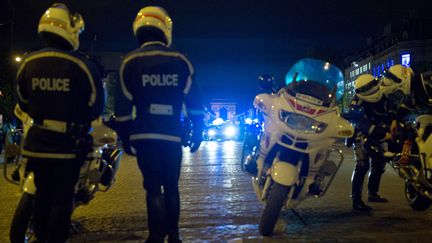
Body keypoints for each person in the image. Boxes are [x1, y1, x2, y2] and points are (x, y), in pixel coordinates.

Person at [13, 3, 105, 242]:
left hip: (38, 143)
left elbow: (22, 101)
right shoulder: (81, 65)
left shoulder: (28, 63)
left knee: (43, 196)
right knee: (61, 200)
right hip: (68, 145)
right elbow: (95, 105)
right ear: (69, 28)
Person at [114, 6, 204, 243]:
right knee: (171, 186)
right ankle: (174, 236)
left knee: (153, 187)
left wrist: (125, 138)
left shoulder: (129, 62)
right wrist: (198, 130)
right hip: (172, 133)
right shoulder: (181, 60)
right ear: (166, 29)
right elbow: (194, 102)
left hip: (144, 134)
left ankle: (155, 237)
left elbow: (122, 109)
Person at [347, 73, 392, 211]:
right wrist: (375, 130)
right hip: (362, 133)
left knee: (379, 163)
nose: (371, 89)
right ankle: (356, 199)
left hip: (380, 131)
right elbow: (358, 121)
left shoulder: (384, 94)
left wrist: (389, 124)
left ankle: (373, 193)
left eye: (372, 85)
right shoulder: (356, 102)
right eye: (368, 87)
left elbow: (390, 109)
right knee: (362, 164)